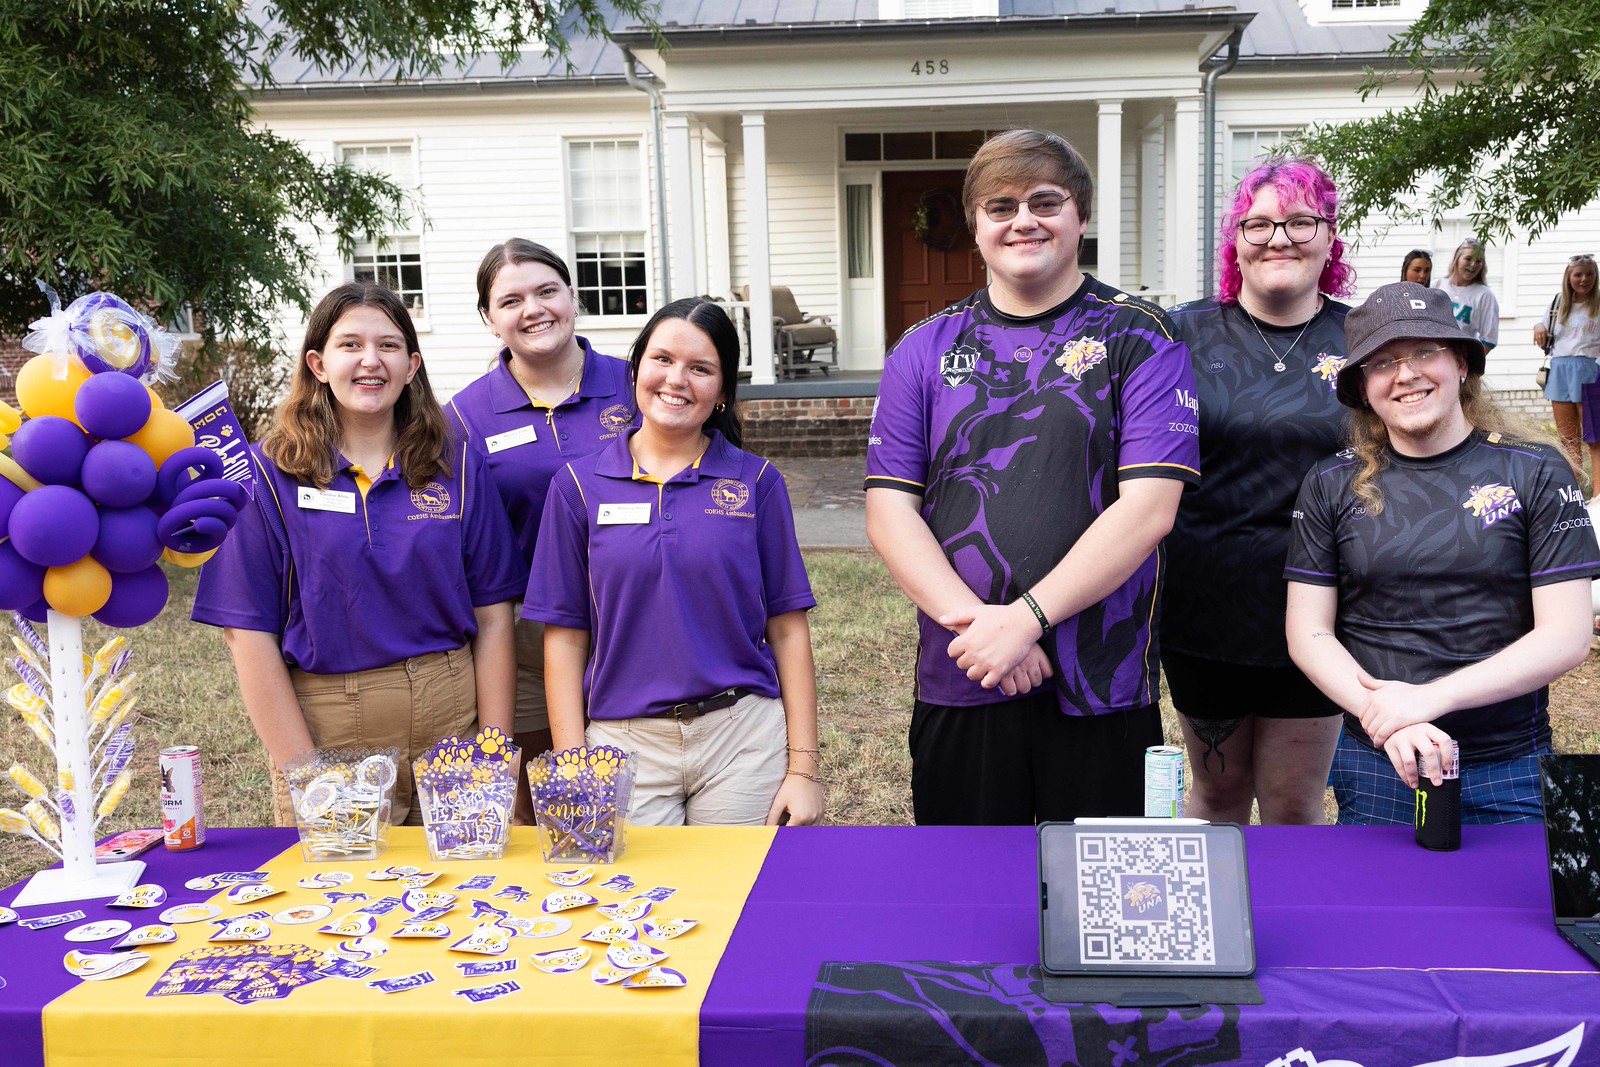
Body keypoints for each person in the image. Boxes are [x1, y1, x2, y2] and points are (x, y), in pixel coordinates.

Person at [864, 128, 1200, 826]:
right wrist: (989, 633)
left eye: (1045, 202)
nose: (1024, 220)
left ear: (1081, 216)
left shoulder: (1141, 336)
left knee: (1100, 886)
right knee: (966, 885)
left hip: (1100, 682)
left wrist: (1025, 620)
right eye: (1001, 206)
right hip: (965, 672)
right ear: (976, 225)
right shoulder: (921, 349)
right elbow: (890, 512)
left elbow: (1149, 509)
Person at [193, 283, 523, 824]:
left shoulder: (458, 466)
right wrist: (306, 774)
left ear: (412, 366)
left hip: (452, 720)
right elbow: (247, 636)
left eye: (388, 346)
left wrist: (493, 748)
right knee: (342, 877)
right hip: (331, 729)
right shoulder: (264, 477)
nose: (371, 360)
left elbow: (493, 617)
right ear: (318, 364)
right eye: (350, 345)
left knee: (468, 874)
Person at [1286, 282, 1599, 824]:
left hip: (1509, 766)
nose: (1406, 374)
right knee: (1375, 884)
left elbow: (1566, 636)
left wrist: (1426, 699)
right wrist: (1387, 716)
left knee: (1515, 886)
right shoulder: (1330, 482)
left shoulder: (1536, 471)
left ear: (1461, 362)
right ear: (1363, 387)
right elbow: (1308, 633)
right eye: (1382, 362)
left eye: (1425, 351)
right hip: (1382, 761)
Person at [527, 298, 824, 828]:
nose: (676, 379)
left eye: (701, 368)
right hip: (621, 744)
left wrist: (804, 769)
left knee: (739, 882)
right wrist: (575, 765)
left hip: (741, 739)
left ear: (723, 392)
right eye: (662, 359)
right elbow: (566, 638)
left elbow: (787, 628)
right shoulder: (576, 487)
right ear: (635, 368)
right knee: (630, 885)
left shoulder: (757, 482)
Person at [1161, 159, 1356, 824]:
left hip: (1322, 604)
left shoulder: (1366, 340)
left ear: (1329, 238)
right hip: (1203, 603)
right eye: (1260, 223)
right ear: (1235, 240)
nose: (1279, 238)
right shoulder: (1178, 335)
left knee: (1293, 804)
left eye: (1301, 221)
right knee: (1217, 794)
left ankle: (1285, 902)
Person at [447, 239, 635, 819]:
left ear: (572, 296)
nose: (533, 309)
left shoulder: (638, 385)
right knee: (547, 814)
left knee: (637, 805)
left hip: (638, 623)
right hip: (526, 639)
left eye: (547, 291)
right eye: (511, 301)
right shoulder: (464, 418)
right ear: (489, 318)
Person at [1534, 254, 1600, 478]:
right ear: (1568, 277)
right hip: (1559, 370)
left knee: (1594, 437)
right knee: (1568, 437)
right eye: (1578, 274)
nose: (1584, 279)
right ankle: (1575, 485)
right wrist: (1538, 326)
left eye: (1589, 274)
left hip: (1588, 370)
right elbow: (1544, 326)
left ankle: (1598, 490)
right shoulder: (1558, 303)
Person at [1437, 237, 1499, 350]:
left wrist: (1470, 360)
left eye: (1478, 261)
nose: (1473, 264)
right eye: (1468, 259)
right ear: (1457, 259)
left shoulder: (1485, 295)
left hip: (1462, 356)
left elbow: (1489, 340)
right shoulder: (1437, 285)